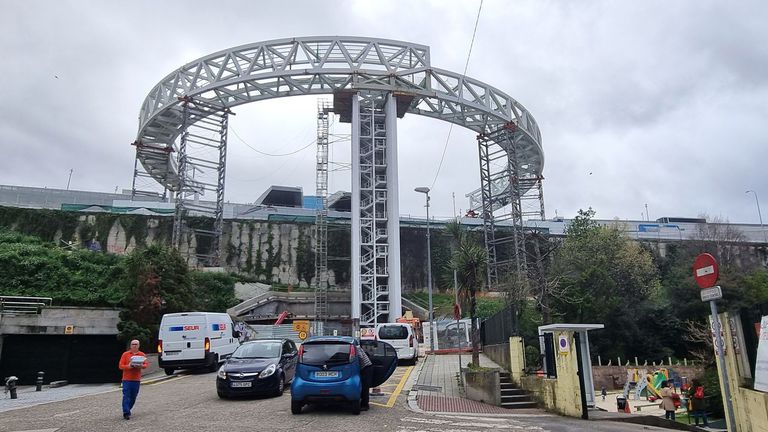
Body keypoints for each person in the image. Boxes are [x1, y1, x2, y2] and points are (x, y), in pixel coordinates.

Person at [118, 339, 148, 420]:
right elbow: (120, 366)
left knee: (133, 396)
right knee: (126, 396)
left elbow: (145, 365)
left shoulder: (142, 354)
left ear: (139, 345)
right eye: (133, 344)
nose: (134, 345)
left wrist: (141, 366)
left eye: (136, 344)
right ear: (130, 345)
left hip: (136, 379)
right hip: (126, 379)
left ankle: (128, 409)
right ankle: (126, 412)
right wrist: (129, 366)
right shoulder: (125, 354)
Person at [356, 343, 373, 411]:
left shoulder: (356, 347)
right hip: (364, 368)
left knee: (365, 387)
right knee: (362, 386)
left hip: (366, 368)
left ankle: (365, 405)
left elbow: (360, 356)